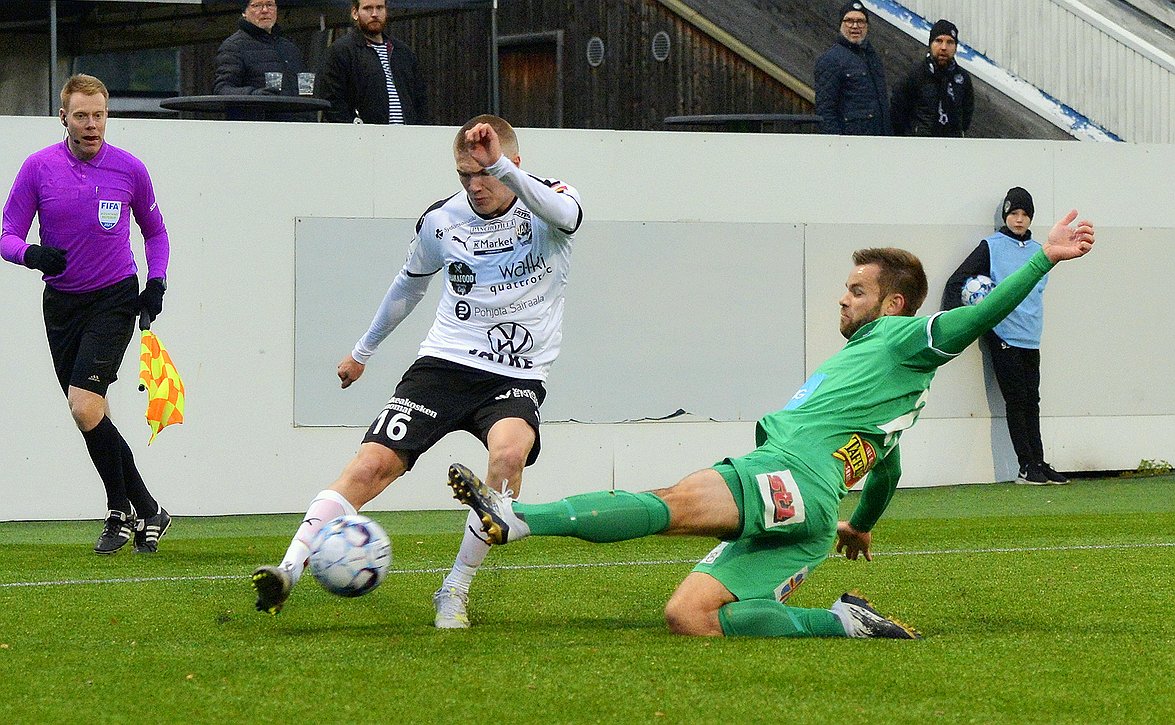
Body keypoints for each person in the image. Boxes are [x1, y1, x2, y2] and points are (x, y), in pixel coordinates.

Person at [448, 210, 1096, 638]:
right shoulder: (884, 385)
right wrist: (859, 525)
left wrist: (1041, 258)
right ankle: (844, 623)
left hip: (787, 474)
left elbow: (966, 323)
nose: (843, 296)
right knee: (690, 616)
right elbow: (886, 470)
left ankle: (519, 517)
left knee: (669, 503)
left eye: (857, 289)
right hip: (812, 516)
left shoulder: (901, 337)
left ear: (893, 303)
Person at [251, 115, 583, 627]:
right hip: (444, 365)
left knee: (509, 455)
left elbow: (567, 213)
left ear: (513, 164)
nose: (475, 186)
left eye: (486, 173)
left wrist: (501, 167)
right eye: (464, 175)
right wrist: (363, 351)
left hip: (517, 374)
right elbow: (408, 286)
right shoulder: (441, 221)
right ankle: (289, 569)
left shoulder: (550, 202)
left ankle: (454, 589)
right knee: (370, 466)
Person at [0, 74, 173, 554]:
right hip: (61, 304)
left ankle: (122, 509)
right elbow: (6, 234)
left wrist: (156, 282)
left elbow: (155, 233)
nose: (92, 125)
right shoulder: (38, 168)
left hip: (114, 297)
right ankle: (146, 509)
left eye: (99, 115)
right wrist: (30, 255)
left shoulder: (129, 169)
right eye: (82, 115)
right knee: (91, 413)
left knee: (84, 404)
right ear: (64, 118)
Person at [941, 188, 1067, 485]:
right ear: (1005, 216)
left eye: (1024, 214)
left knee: (1032, 400)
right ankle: (1025, 466)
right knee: (1016, 400)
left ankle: (1039, 461)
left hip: (1031, 336)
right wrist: (957, 321)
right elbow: (956, 282)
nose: (1019, 220)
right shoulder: (991, 246)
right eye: (1014, 214)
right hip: (1003, 335)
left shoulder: (1040, 250)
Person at [318, 0, 428, 125]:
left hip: (406, 137)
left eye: (379, 8)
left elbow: (420, 98)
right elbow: (333, 100)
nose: (375, 14)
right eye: (368, 8)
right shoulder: (341, 51)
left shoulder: (403, 52)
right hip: (364, 139)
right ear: (355, 13)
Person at [213, 0, 311, 121]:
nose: (265, 10)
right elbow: (222, 90)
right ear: (244, 12)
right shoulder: (234, 46)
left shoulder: (290, 47)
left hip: (300, 130)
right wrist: (255, 95)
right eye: (257, 5)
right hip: (256, 130)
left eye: (270, 5)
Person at [814, 1, 891, 136]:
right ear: (841, 24)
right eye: (849, 21)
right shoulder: (831, 60)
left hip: (878, 141)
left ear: (867, 26)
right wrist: (837, 144)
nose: (855, 26)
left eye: (860, 21)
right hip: (850, 143)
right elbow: (825, 111)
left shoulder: (873, 57)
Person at [891, 19, 974, 137]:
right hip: (919, 147)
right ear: (930, 44)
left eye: (950, 42)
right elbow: (897, 114)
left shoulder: (962, 79)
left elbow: (966, 117)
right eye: (939, 41)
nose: (944, 47)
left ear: (955, 47)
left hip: (952, 147)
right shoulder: (914, 75)